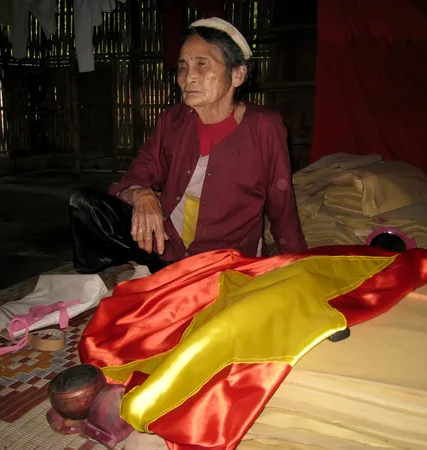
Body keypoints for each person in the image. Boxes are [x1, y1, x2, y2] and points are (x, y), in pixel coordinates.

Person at [69, 17, 306, 274]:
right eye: (183, 67)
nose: (188, 77)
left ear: (237, 74)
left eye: (202, 65)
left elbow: (282, 209)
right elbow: (138, 173)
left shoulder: (264, 126)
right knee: (85, 205)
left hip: (226, 262)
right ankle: (112, 277)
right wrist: (140, 194)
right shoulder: (173, 120)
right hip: (166, 249)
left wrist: (297, 266)